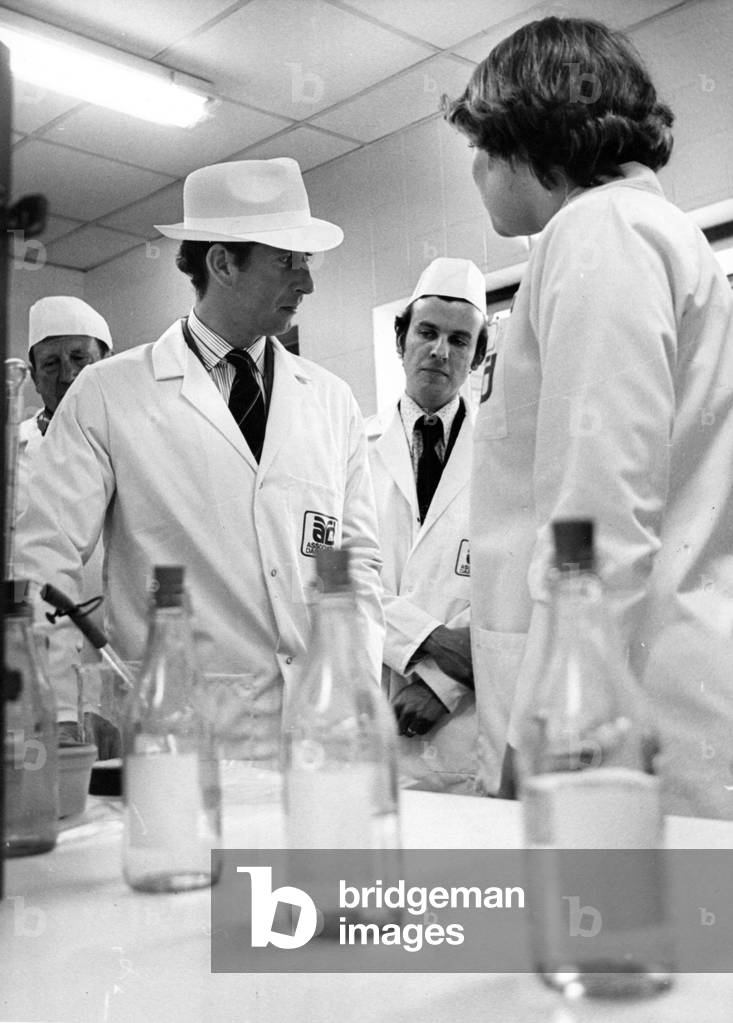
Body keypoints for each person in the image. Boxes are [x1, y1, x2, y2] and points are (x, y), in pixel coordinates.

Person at [444, 16, 733, 816]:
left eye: (478, 145)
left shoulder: (599, 233)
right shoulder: (639, 235)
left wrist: (541, 740)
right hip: (645, 707)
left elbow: (596, 517)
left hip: (612, 730)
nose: (474, 171)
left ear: (523, 135)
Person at [17, 158, 383, 762]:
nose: (306, 283)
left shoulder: (331, 399)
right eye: (288, 261)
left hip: (321, 731)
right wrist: (53, 709)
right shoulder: (108, 394)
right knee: (222, 863)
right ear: (222, 263)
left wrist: (357, 688)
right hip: (179, 732)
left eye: (306, 263)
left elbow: (359, 563)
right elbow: (43, 561)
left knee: (310, 860)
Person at [367, 257, 487, 793]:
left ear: (477, 357)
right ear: (402, 339)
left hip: (463, 728)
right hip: (373, 712)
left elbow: (511, 591)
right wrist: (429, 640)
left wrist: (439, 685)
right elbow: (338, 573)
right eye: (427, 332)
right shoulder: (353, 450)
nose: (440, 351)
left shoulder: (504, 459)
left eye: (460, 341)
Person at [16, 297, 117, 755]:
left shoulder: (134, 439)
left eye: (80, 358)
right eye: (51, 362)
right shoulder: (12, 453)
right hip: (35, 665)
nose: (67, 374)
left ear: (106, 363)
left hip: (117, 660)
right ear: (34, 377)